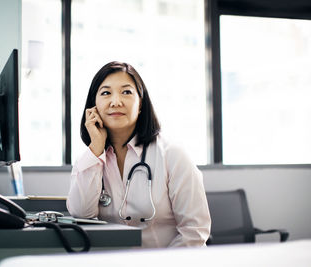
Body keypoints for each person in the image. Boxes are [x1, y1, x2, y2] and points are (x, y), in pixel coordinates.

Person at [67, 61, 211, 248]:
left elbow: (195, 231)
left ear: (141, 103)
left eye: (126, 92)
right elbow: (81, 214)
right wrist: (96, 149)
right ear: (93, 106)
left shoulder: (172, 155)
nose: (115, 102)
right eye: (106, 93)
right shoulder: (88, 160)